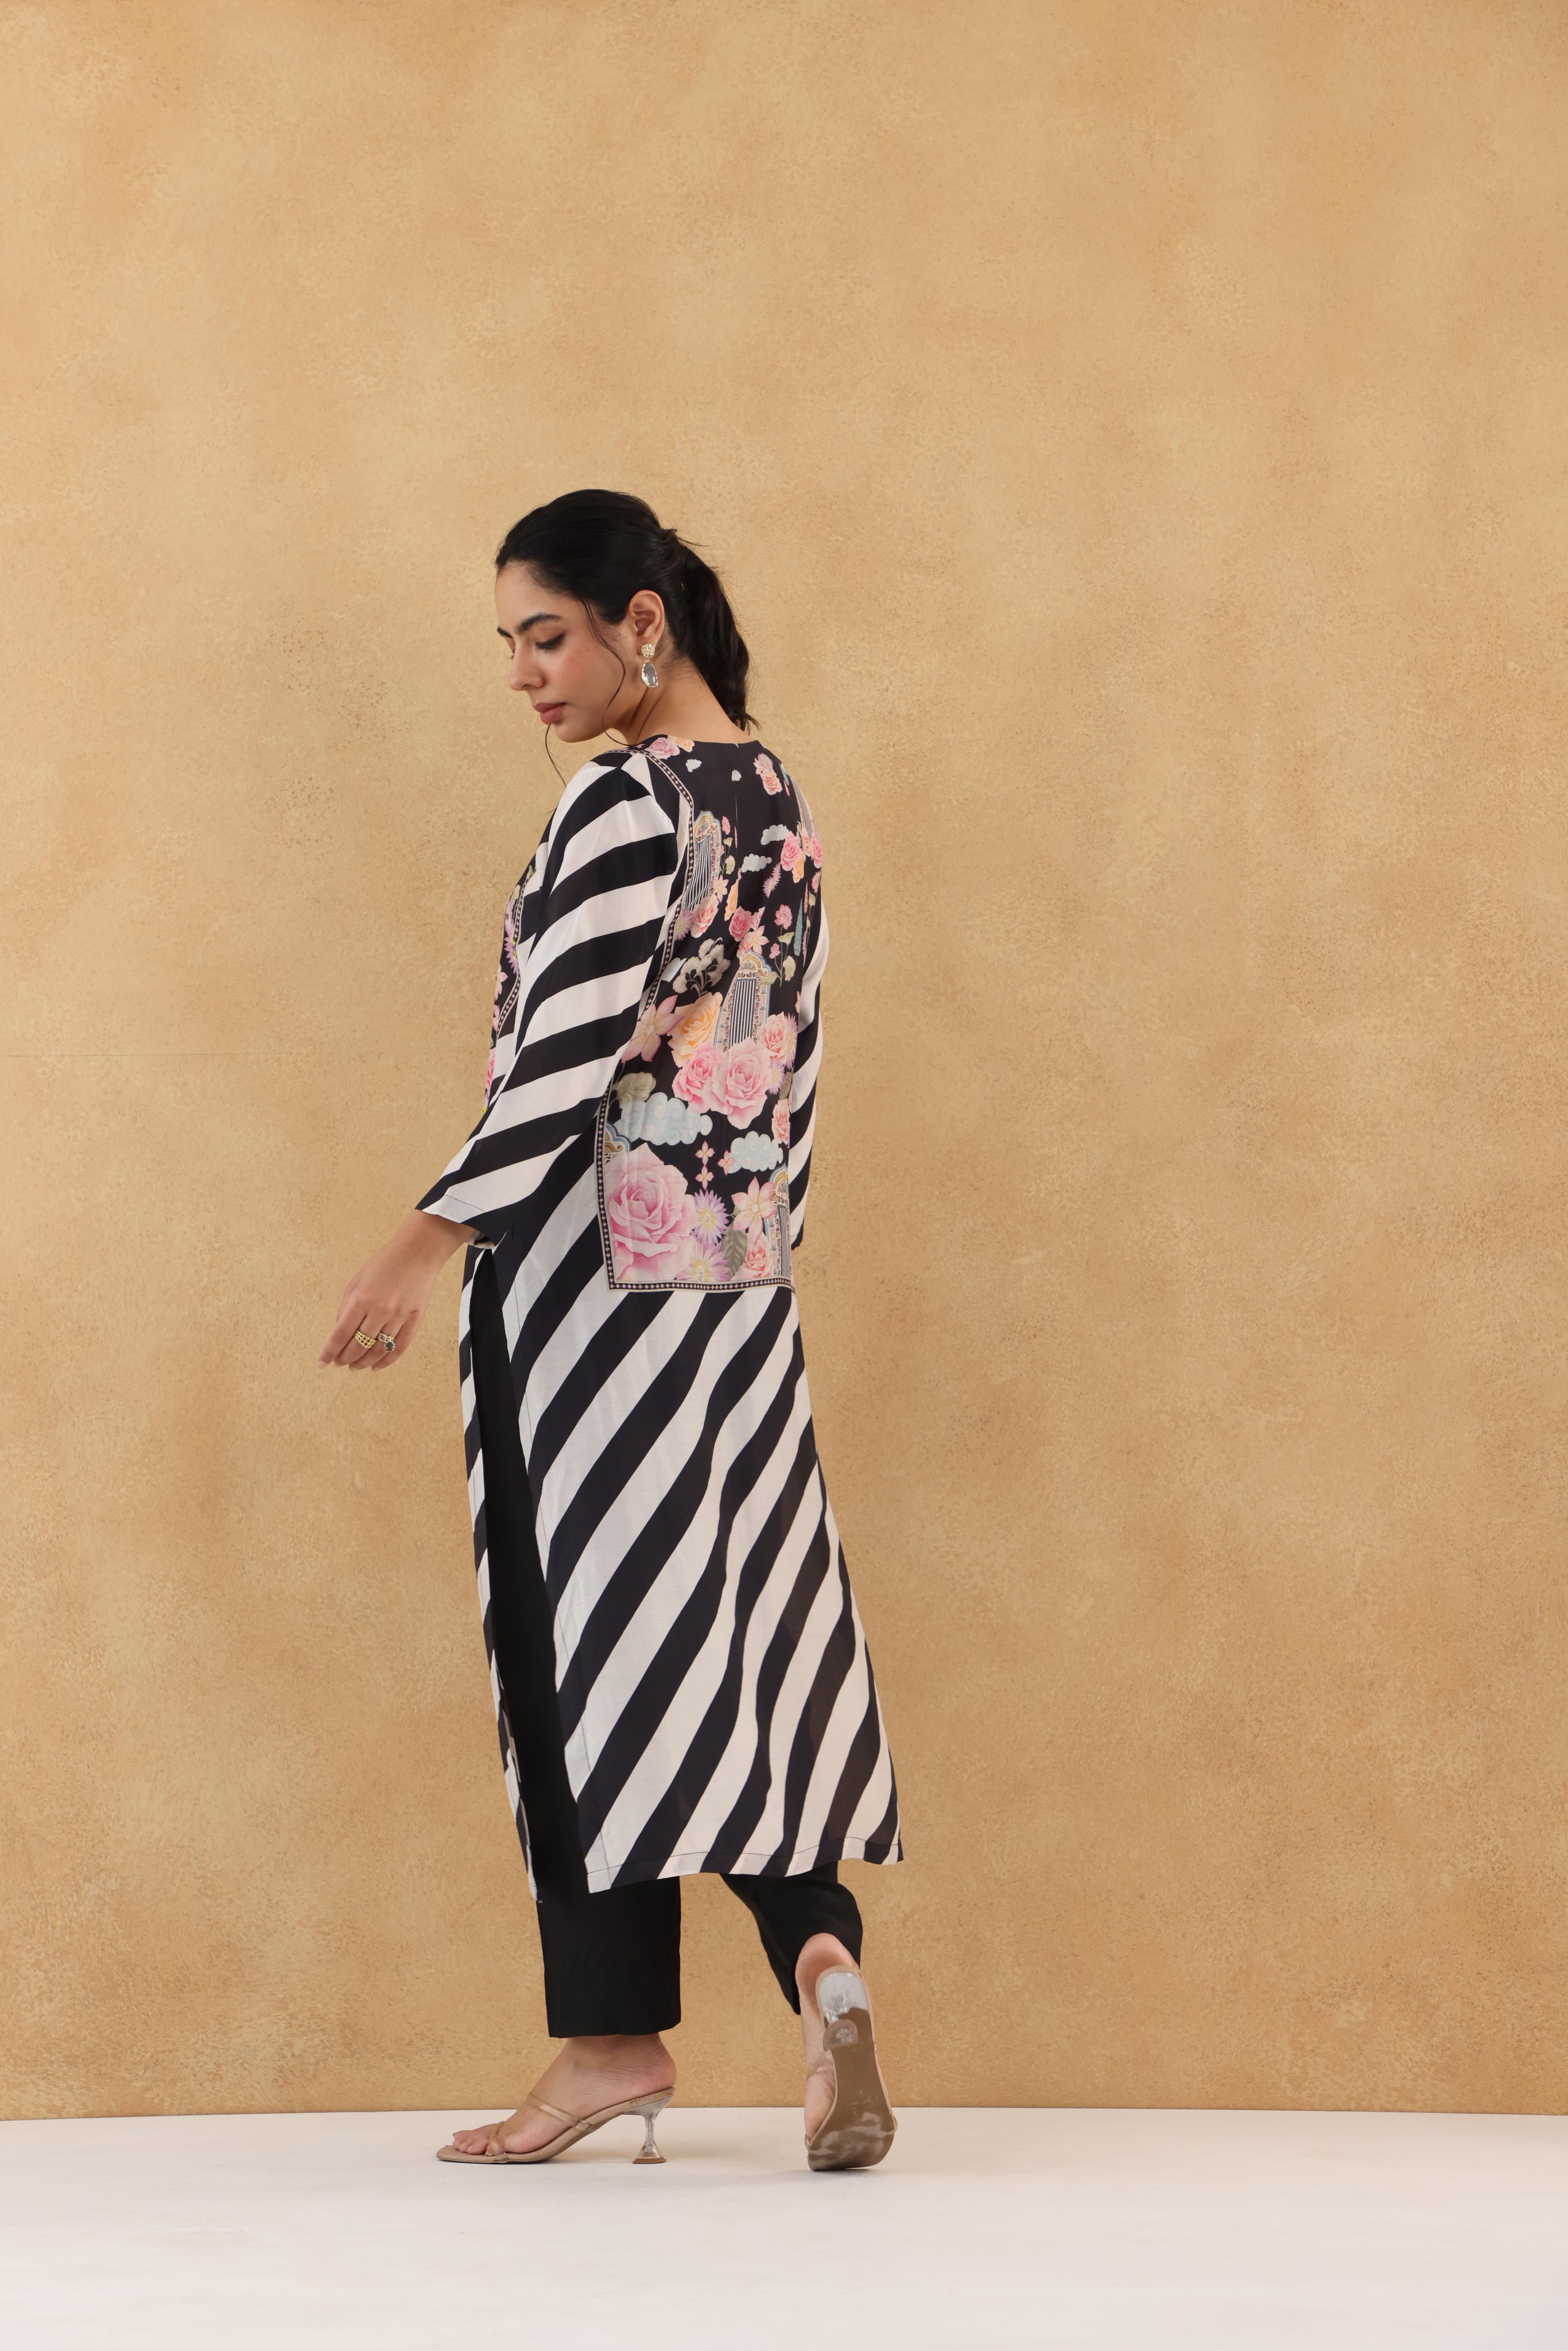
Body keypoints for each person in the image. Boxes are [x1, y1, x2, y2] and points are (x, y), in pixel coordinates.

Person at [317, 489, 903, 2171]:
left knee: (578, 1650)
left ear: (641, 623)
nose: (523, 673)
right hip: (730, 1274)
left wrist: (420, 1244)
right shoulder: (771, 798)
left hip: (583, 1292)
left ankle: (609, 2043)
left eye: (547, 636)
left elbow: (557, 1060)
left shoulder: (623, 803)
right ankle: (819, 1952)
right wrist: (751, 1237)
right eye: (509, 643)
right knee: (724, 1631)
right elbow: (780, 1064)